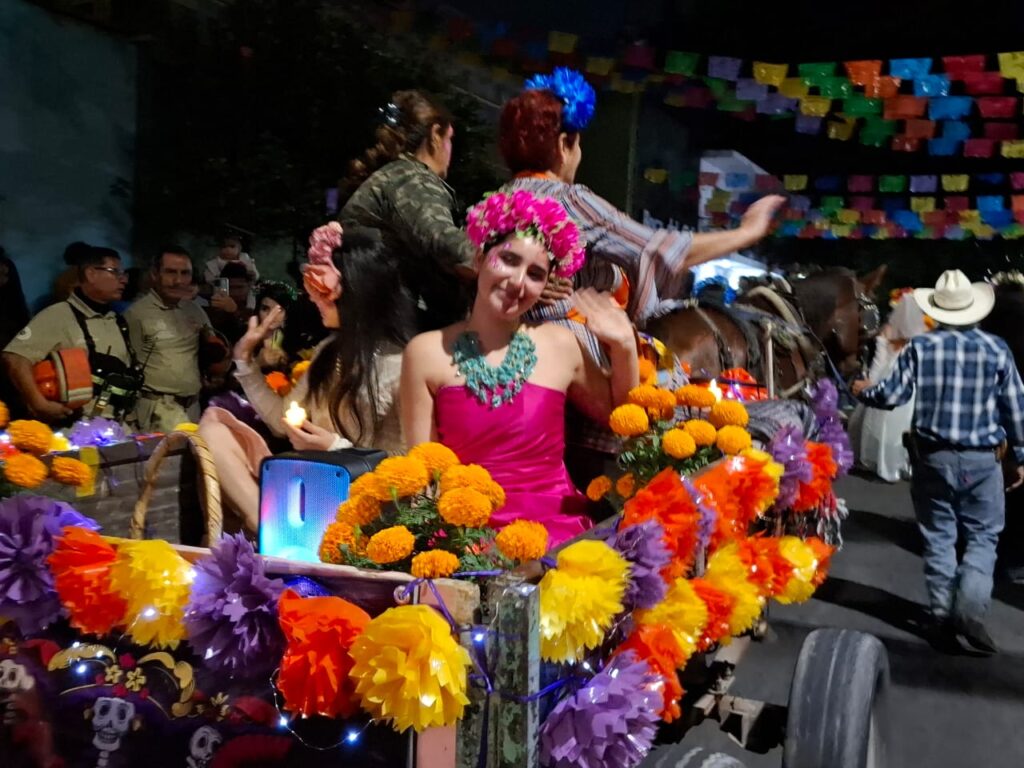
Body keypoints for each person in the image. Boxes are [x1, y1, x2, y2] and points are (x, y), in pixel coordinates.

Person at [497, 68, 784, 483]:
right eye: (578, 146)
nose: (579, 156)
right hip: (569, 341)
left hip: (505, 341)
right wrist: (745, 232)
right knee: (691, 417)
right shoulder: (570, 199)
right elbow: (659, 248)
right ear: (563, 145)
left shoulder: (498, 201)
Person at [401, 190, 639, 546]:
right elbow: (422, 479)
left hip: (556, 539)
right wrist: (454, 548)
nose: (517, 282)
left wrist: (624, 349)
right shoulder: (425, 353)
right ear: (480, 258)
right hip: (468, 542)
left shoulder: (561, 344)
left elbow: (623, 420)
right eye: (509, 259)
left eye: (535, 274)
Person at [199, 225, 414, 532]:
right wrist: (245, 361)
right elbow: (280, 421)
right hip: (304, 487)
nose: (313, 299)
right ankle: (262, 523)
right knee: (212, 426)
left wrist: (335, 447)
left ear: (357, 291)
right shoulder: (329, 351)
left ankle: (275, 529)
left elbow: (406, 471)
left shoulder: (402, 364)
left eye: (321, 290)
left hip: (362, 507)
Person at [853, 270, 1024, 654]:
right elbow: (1016, 408)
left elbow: (891, 395)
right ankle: (970, 608)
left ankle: (943, 614)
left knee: (940, 537)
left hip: (932, 458)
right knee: (983, 536)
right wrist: (1022, 455)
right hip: (983, 462)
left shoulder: (920, 348)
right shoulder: (997, 349)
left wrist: (865, 391)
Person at [340, 90, 476, 331]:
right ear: (435, 134)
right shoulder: (411, 178)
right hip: (380, 330)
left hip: (366, 322)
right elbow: (443, 240)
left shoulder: (393, 175)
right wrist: (506, 266)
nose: (450, 151)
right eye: (450, 138)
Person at [3, 245, 140, 424]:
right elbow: (14, 357)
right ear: (91, 274)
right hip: (75, 428)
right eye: (115, 272)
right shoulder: (58, 315)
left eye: (124, 274)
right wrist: (38, 403)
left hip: (115, 425)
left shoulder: (117, 320)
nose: (123, 280)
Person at [126, 247, 215, 431]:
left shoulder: (194, 310)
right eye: (170, 272)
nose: (178, 281)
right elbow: (126, 366)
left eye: (185, 273)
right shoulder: (137, 314)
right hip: (157, 411)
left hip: (193, 408)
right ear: (154, 274)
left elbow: (215, 353)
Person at [848, 292, 931, 481]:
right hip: (909, 381)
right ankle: (904, 463)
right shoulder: (923, 333)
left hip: (887, 376)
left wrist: (872, 382)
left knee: (880, 421)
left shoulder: (887, 330)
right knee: (904, 422)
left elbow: (879, 360)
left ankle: (880, 462)